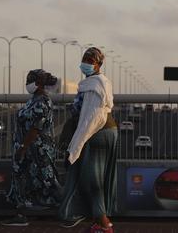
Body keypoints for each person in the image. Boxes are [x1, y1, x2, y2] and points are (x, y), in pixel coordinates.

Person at [59, 47, 117, 233]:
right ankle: (99, 221)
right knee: (96, 178)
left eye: (90, 60)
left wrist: (77, 143)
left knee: (92, 180)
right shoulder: (97, 82)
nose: (86, 62)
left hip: (97, 133)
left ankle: (105, 224)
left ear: (99, 64)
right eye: (85, 58)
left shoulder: (94, 85)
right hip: (104, 131)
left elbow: (93, 117)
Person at [2, 69, 61, 227]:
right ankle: (21, 214)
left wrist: (23, 147)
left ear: (39, 83)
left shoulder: (43, 101)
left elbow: (36, 128)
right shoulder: (33, 100)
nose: (27, 84)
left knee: (47, 180)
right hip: (25, 148)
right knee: (20, 178)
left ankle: (66, 211)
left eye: (30, 81)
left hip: (38, 150)